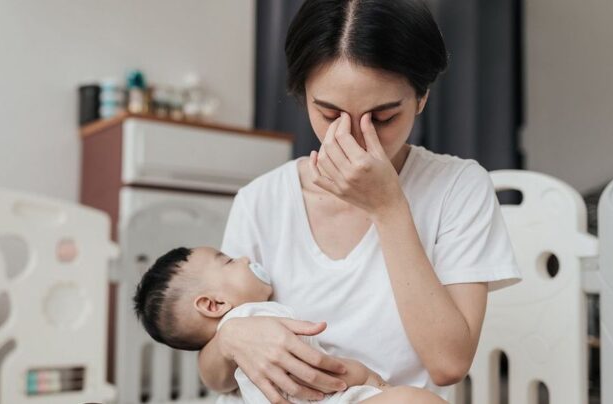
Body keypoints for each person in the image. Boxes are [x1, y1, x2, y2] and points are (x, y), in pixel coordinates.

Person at [199, 0, 522, 402]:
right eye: (330, 115)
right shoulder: (262, 199)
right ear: (304, 97)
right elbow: (214, 376)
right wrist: (232, 338)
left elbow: (448, 364)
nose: (352, 139)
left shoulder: (458, 187)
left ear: (421, 98)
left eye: (383, 118)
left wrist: (387, 208)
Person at [133, 246, 447, 403]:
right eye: (228, 261)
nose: (244, 259)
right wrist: (369, 378)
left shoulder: (237, 351)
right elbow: (324, 372)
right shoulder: (255, 319)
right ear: (214, 305)